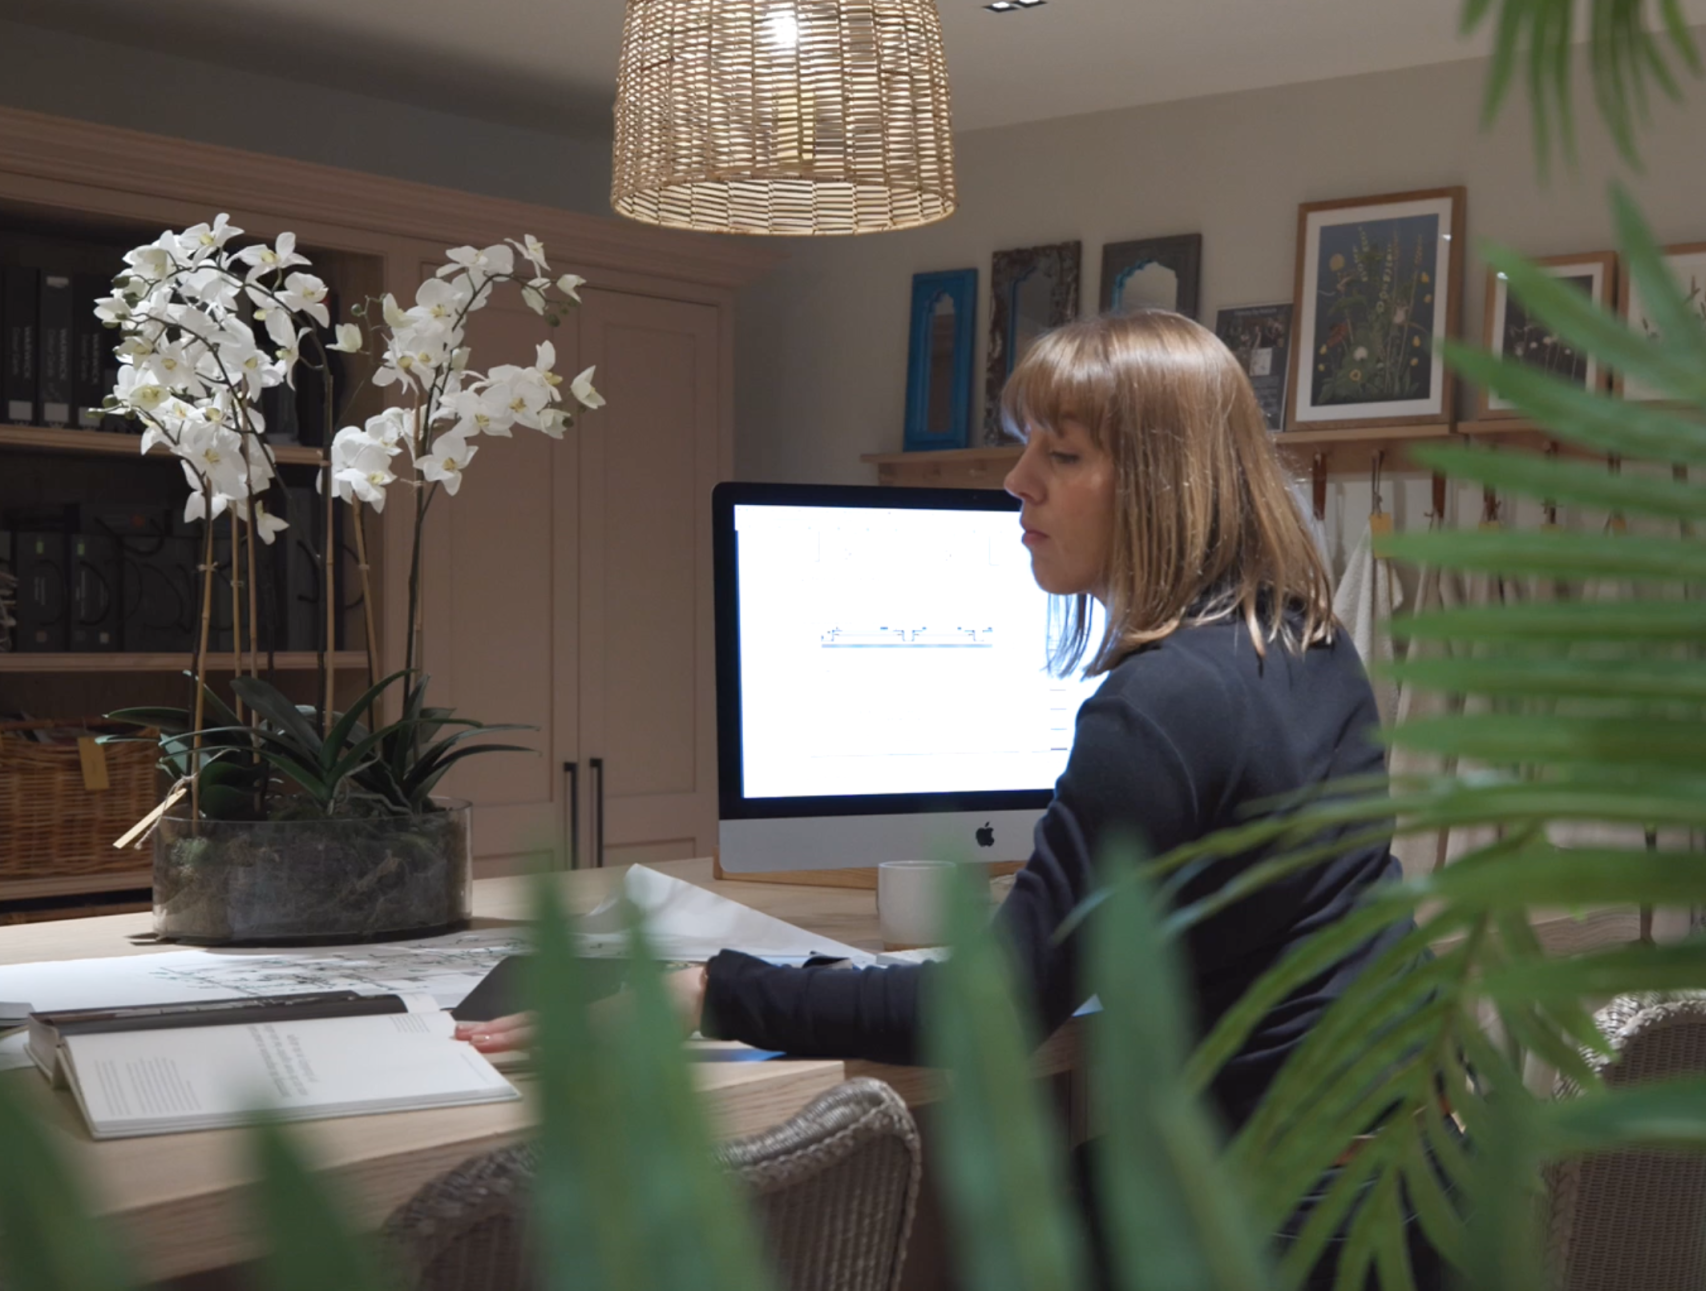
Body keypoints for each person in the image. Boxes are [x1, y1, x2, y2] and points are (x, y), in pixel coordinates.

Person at [458, 309, 1435, 1285]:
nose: (1018, 484)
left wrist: (711, 988)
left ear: (1159, 480)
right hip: (1410, 1179)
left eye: (1063, 454)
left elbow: (995, 1009)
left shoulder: (1166, 701)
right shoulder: (1305, 642)